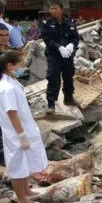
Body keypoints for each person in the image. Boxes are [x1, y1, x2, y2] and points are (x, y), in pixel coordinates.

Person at [0, 51, 48, 203]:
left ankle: (26, 190)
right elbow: (12, 113)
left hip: (23, 129)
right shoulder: (7, 87)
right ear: (10, 66)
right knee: (17, 165)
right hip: (16, 133)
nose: (23, 66)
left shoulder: (12, 81)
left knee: (25, 162)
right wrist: (21, 136)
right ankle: (21, 198)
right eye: (19, 64)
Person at [41, 0, 79, 114]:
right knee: (53, 77)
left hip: (67, 55)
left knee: (68, 76)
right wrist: (59, 47)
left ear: (61, 10)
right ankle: (51, 104)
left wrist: (72, 45)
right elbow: (47, 40)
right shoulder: (46, 24)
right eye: (51, 9)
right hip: (54, 55)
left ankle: (69, 98)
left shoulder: (70, 22)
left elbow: (75, 37)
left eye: (55, 8)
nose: (53, 10)